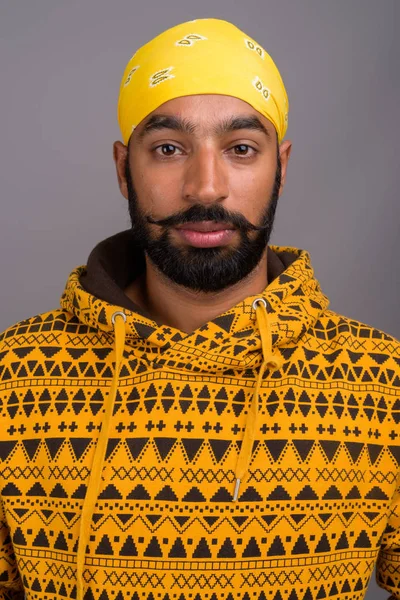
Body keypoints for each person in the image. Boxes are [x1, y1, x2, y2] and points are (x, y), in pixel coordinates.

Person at [0, 17, 399, 600]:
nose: (205, 187)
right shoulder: (15, 374)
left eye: (240, 149)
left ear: (281, 168)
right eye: (168, 148)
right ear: (122, 169)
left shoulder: (382, 381)